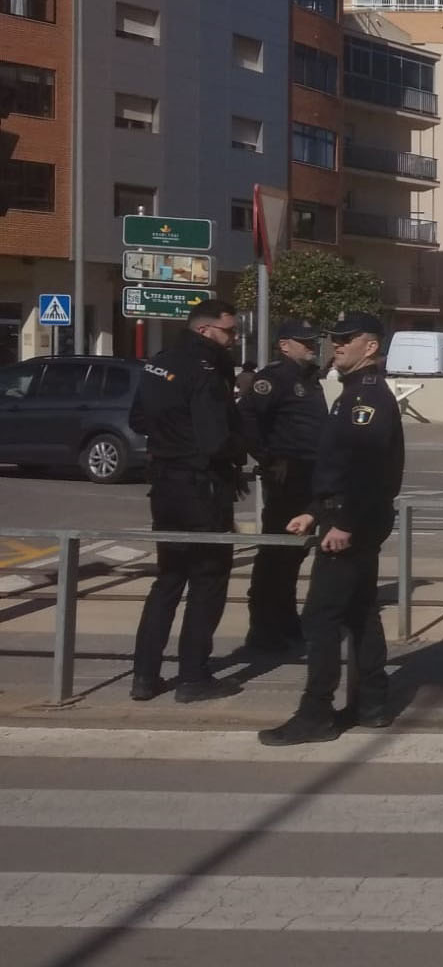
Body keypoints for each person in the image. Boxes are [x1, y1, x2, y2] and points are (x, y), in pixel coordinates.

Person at [259, 312, 405, 746]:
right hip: (347, 515)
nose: (336, 346)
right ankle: (372, 703)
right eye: (334, 339)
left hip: (352, 521)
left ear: (371, 347)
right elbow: (337, 466)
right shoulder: (351, 394)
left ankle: (316, 713)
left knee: (321, 618)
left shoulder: (366, 399)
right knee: (359, 612)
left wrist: (341, 521)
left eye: (346, 339)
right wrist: (312, 509)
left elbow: (365, 469)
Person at [129, 299, 246, 703]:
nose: (233, 339)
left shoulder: (158, 363)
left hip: (164, 484)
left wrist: (173, 437)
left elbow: (138, 420)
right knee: (208, 580)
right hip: (201, 486)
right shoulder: (205, 370)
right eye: (228, 332)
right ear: (205, 330)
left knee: (168, 579)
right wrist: (239, 452)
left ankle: (144, 676)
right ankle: (193, 677)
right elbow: (216, 439)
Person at [236, 318, 325, 655]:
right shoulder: (274, 377)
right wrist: (268, 457)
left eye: (313, 341)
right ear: (284, 345)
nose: (311, 347)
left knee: (293, 553)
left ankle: (284, 623)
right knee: (277, 553)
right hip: (288, 473)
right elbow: (246, 418)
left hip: (309, 473)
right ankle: (265, 628)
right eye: (304, 342)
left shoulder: (307, 378)